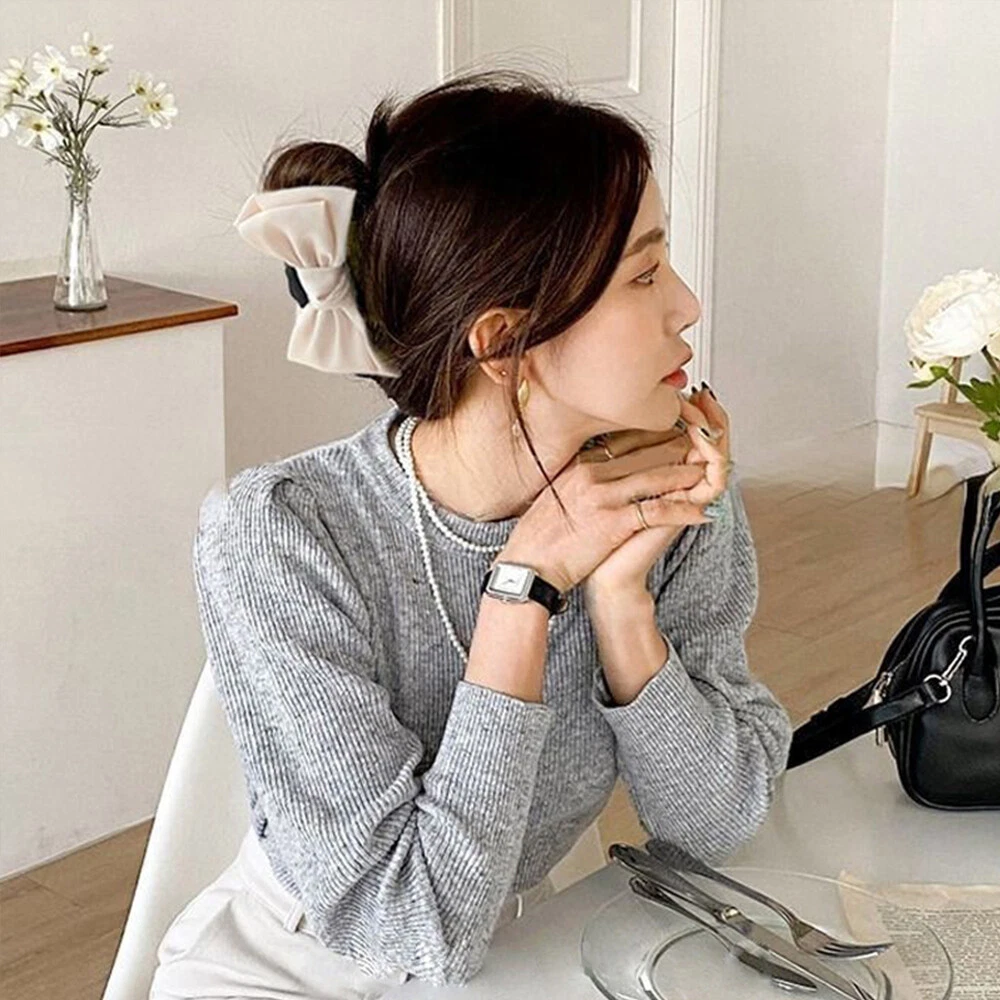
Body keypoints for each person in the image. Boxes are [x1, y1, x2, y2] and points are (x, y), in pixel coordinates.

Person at [149, 68, 793, 1000]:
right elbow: (416, 923)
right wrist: (523, 587)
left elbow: (717, 824)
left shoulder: (658, 499)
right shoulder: (284, 534)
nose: (687, 304)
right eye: (645, 274)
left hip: (518, 947)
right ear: (500, 343)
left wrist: (621, 603)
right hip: (295, 968)